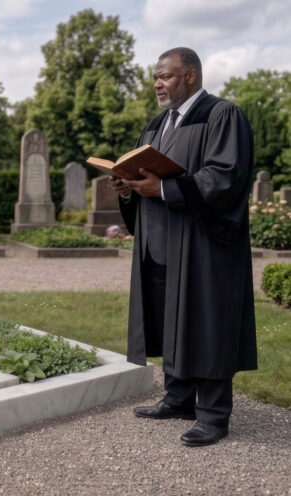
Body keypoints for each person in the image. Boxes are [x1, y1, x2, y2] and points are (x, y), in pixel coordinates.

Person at [112, 47, 256, 447]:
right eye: (155, 77)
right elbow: (146, 177)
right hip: (159, 243)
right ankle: (178, 398)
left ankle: (213, 414)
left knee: (204, 323)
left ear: (190, 76)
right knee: (169, 319)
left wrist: (161, 187)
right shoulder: (158, 125)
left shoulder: (220, 115)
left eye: (166, 76)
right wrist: (128, 187)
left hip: (200, 245)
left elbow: (224, 176)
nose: (158, 83)